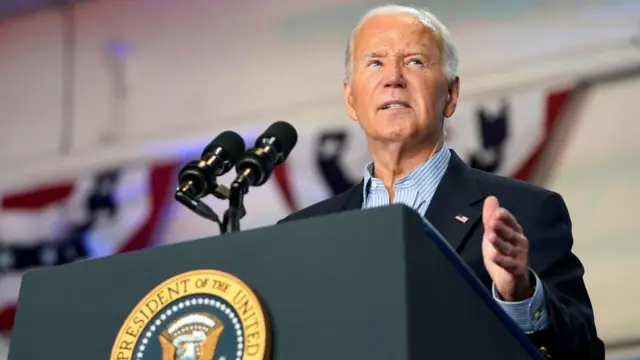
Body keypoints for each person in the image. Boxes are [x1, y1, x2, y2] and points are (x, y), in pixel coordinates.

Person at [278, 4, 604, 359]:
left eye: (415, 61)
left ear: (450, 94)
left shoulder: (526, 211)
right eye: (375, 62)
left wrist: (521, 294)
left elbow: (583, 355)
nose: (393, 78)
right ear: (350, 98)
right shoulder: (299, 234)